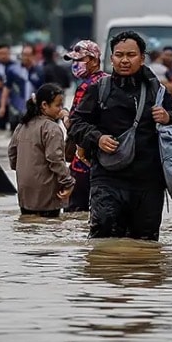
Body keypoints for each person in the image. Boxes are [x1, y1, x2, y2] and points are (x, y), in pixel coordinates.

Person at [68, 31, 172, 241]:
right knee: (103, 241)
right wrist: (97, 138)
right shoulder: (99, 89)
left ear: (142, 58)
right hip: (107, 179)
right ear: (111, 58)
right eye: (119, 55)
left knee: (145, 244)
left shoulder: (155, 90)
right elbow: (76, 124)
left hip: (148, 182)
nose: (124, 60)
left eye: (131, 55)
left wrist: (167, 116)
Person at [8, 82, 74, 217]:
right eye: (58, 105)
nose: (61, 109)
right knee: (49, 231)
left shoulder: (22, 126)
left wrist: (25, 170)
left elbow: (12, 155)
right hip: (46, 193)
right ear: (44, 105)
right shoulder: (52, 128)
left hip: (25, 192)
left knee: (28, 230)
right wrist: (68, 182)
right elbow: (55, 160)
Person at [62, 40, 106, 214]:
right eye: (74, 60)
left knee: (75, 213)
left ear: (94, 61)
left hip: (82, 162)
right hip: (104, 159)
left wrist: (63, 115)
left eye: (80, 60)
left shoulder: (86, 87)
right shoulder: (108, 82)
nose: (75, 65)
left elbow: (74, 125)